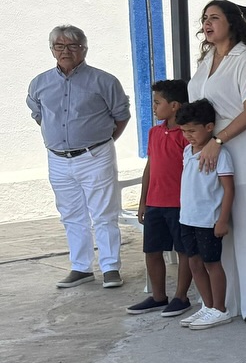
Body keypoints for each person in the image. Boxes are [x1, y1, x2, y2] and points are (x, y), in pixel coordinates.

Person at [188, 0, 246, 322]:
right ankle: (224, 304)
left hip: (245, 147)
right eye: (204, 18)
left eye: (214, 17)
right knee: (221, 228)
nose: (207, 23)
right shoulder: (207, 58)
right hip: (214, 151)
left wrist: (218, 140)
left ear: (232, 22)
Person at [27, 25, 130, 289]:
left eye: (73, 46)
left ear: (84, 49)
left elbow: (121, 116)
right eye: (59, 46)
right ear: (52, 50)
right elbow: (39, 115)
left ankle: (110, 268)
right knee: (71, 214)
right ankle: (81, 268)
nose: (66, 51)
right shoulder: (39, 83)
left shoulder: (104, 81)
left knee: (104, 214)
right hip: (58, 159)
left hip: (95, 155)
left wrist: (100, 142)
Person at [125, 80, 194, 315]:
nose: (153, 107)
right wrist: (143, 201)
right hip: (155, 202)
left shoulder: (186, 134)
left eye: (157, 102)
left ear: (174, 106)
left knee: (184, 251)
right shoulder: (154, 132)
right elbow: (150, 167)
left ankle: (181, 297)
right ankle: (158, 296)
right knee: (152, 251)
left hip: (180, 203)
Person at [175, 99, 237, 330]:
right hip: (187, 218)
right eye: (184, 131)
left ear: (209, 127)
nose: (187, 136)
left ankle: (220, 309)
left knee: (212, 263)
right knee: (194, 263)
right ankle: (207, 306)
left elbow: (229, 189)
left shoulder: (221, 154)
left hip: (208, 219)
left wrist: (222, 219)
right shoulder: (186, 151)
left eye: (192, 130)